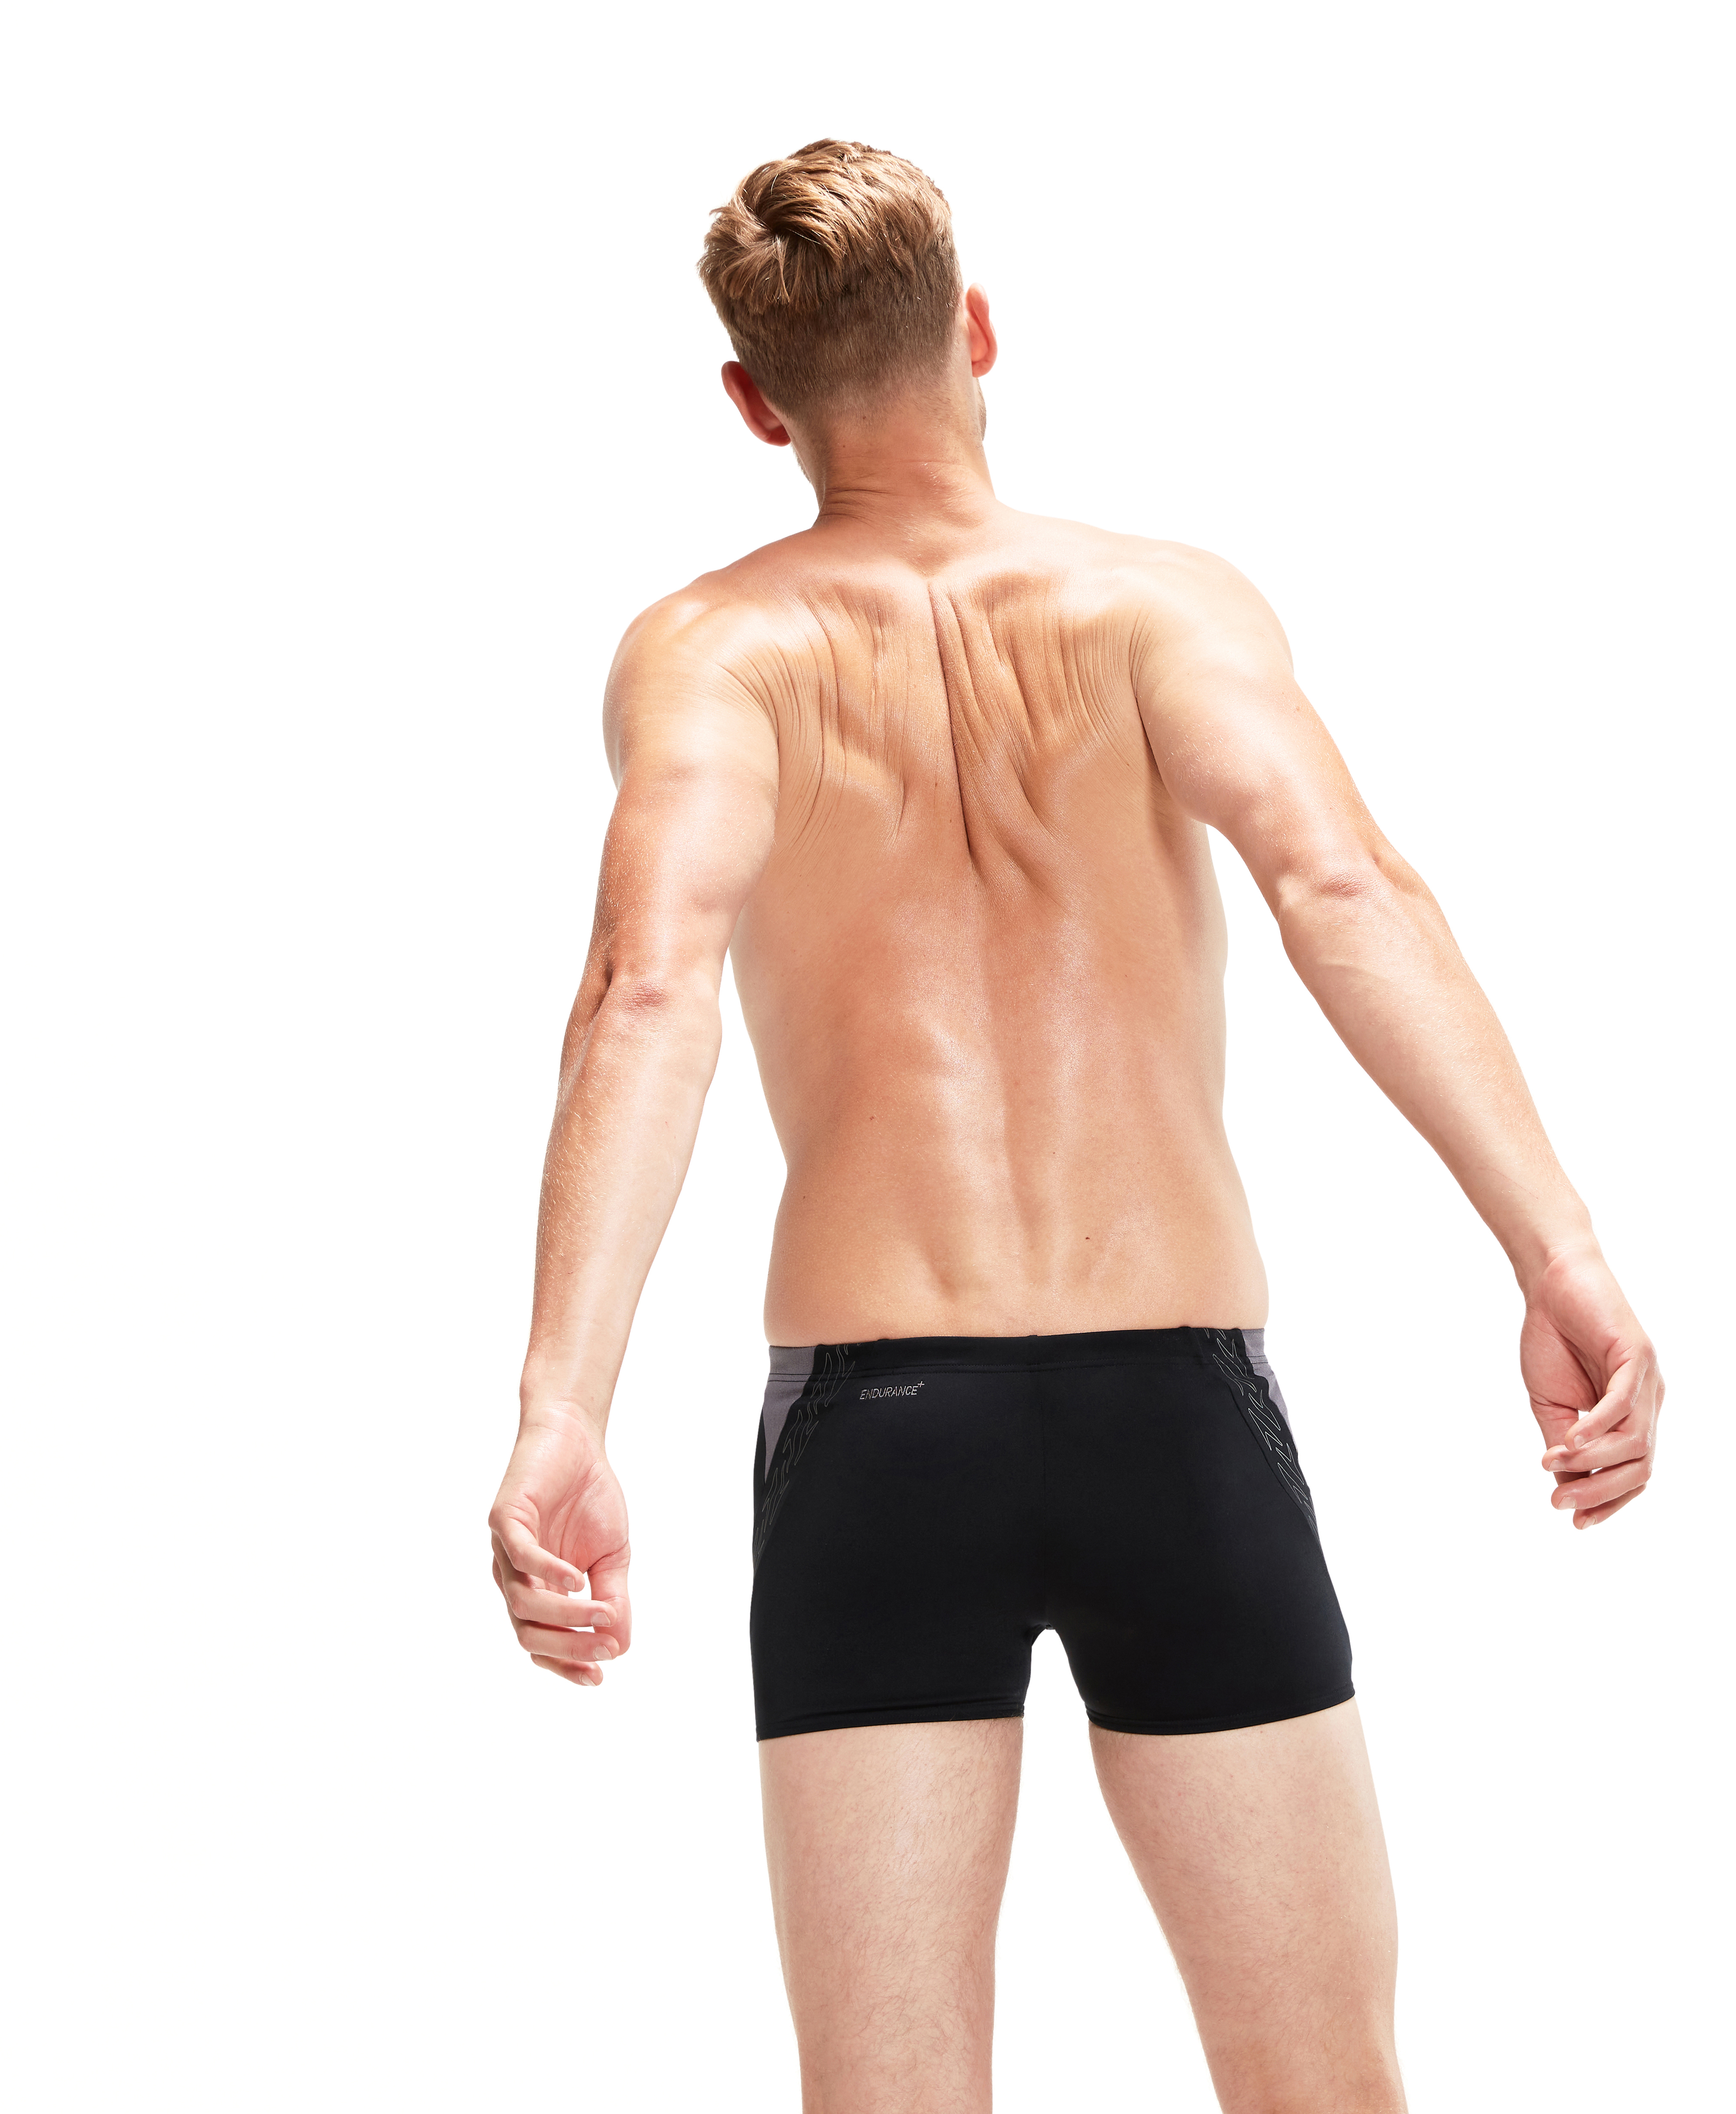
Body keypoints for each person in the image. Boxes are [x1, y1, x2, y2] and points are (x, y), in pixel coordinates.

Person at [487, 138, 1663, 2114]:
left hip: (873, 1428)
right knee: (1321, 2084)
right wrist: (1557, 1248)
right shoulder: (1158, 606)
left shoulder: (709, 652)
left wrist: (560, 1402)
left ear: (755, 401)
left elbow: (644, 991)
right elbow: (1342, 888)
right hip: (1175, 1411)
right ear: (977, 328)